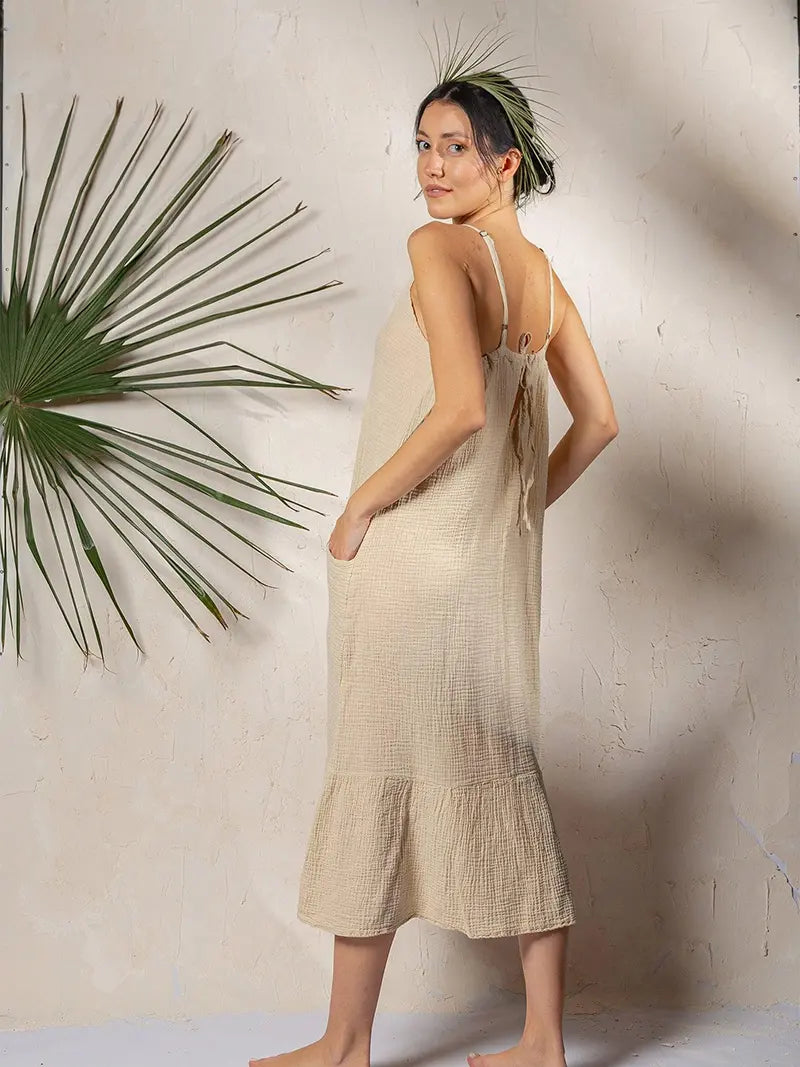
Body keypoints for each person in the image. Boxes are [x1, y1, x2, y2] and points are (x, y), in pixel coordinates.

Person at [250, 30, 618, 1067]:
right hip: (490, 576)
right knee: (498, 768)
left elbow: (459, 407)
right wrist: (519, 509)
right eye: (420, 145)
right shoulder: (539, 277)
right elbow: (597, 422)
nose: (430, 167)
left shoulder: (435, 249)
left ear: (505, 163)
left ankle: (345, 1040)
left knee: (373, 768)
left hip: (415, 564)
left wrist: (362, 503)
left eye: (454, 147)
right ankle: (541, 1039)